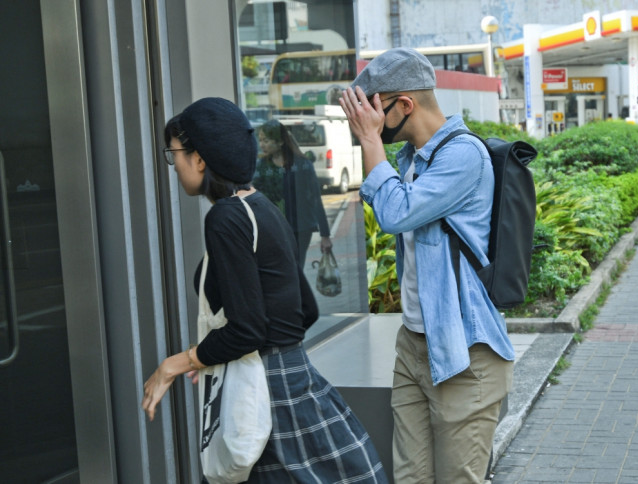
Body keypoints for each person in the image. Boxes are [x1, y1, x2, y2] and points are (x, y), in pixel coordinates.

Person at [141, 97, 387, 483]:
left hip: (263, 391)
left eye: (175, 155)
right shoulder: (262, 208)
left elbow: (247, 329)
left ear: (200, 159)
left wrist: (178, 363)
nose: (174, 167)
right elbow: (304, 309)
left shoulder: (224, 218)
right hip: (296, 382)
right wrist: (214, 355)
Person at [339, 48, 515, 483]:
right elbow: (390, 214)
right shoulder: (412, 159)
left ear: (404, 105)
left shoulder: (463, 156)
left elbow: (395, 213)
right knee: (409, 478)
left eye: (373, 112)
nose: (367, 124)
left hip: (464, 353)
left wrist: (370, 141)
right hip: (414, 346)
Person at [254, 119, 332, 268]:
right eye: (261, 140)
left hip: (301, 228)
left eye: (266, 140)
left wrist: (325, 235)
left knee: (296, 268)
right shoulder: (262, 166)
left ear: (281, 142)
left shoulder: (302, 164)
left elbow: (315, 198)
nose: (262, 145)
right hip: (273, 228)